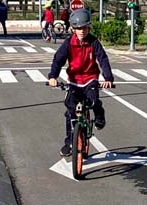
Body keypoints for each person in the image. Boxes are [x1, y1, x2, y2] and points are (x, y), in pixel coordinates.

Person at [48, 9, 114, 157]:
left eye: (84, 28)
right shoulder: (68, 43)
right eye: (78, 28)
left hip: (90, 78)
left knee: (92, 100)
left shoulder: (94, 42)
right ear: (73, 29)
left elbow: (103, 60)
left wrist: (108, 78)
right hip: (74, 81)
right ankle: (69, 143)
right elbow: (58, 60)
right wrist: (53, 76)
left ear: (89, 27)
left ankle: (99, 113)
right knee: (70, 110)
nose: (81, 31)